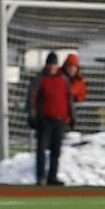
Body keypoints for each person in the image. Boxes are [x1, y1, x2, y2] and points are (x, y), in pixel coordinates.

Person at [25, 52, 74, 186]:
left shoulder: (63, 80)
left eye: (54, 64)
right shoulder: (40, 79)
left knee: (56, 150)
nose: (52, 67)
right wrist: (32, 115)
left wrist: (71, 117)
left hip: (59, 120)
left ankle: (52, 176)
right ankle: (40, 176)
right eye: (49, 64)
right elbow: (31, 98)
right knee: (41, 149)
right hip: (44, 120)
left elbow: (68, 100)